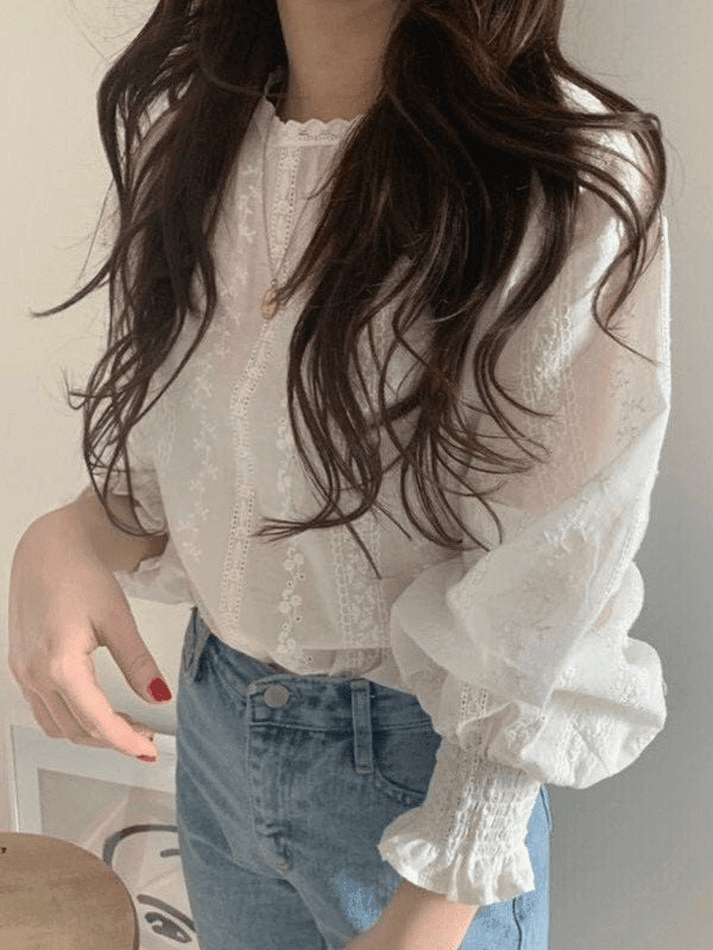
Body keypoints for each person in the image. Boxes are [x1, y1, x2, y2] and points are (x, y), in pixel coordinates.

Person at [8, 0, 671, 948]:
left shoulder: (565, 174)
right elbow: (181, 461)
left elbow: (550, 577)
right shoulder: (191, 136)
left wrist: (442, 891)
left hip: (422, 780)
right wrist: (68, 535)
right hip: (215, 728)